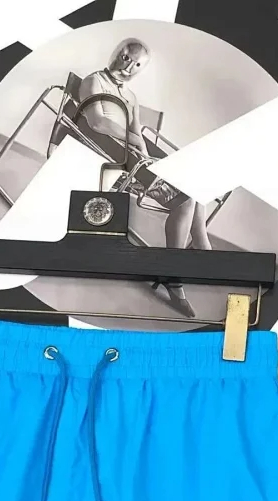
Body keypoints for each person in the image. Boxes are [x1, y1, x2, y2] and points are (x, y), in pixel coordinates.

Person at [77, 38, 211, 317]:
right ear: (116, 53)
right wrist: (135, 143)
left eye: (137, 64)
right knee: (184, 202)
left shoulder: (131, 97)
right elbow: (96, 122)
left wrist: (151, 161)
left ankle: (201, 244)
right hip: (111, 154)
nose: (128, 67)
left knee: (194, 180)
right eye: (126, 57)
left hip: (132, 156)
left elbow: (138, 134)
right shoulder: (93, 81)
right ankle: (174, 278)